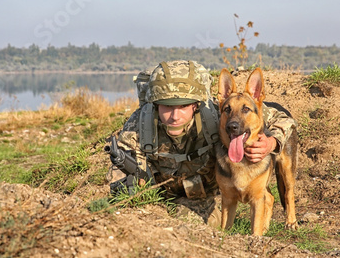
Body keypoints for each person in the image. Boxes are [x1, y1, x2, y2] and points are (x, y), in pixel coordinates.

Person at [107, 60, 296, 226]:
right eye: (167, 107)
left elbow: (284, 118)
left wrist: (271, 143)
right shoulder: (140, 124)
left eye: (183, 106)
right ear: (156, 105)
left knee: (186, 228)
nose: (175, 116)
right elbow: (119, 167)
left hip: (202, 199)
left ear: (195, 105)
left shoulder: (217, 114)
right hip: (158, 197)